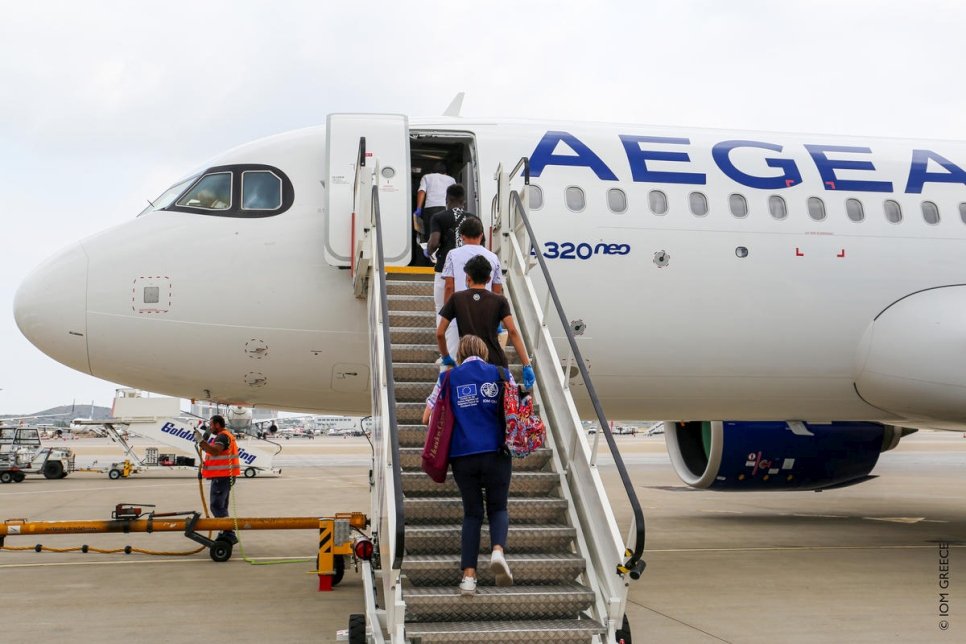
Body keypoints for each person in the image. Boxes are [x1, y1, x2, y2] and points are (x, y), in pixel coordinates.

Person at [421, 335, 514, 595]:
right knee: (498, 507)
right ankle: (497, 551)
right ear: (484, 352)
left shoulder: (448, 378)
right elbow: (516, 408)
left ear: (460, 354)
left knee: (472, 514)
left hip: (463, 456)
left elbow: (427, 417)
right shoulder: (502, 374)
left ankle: (469, 579)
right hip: (497, 452)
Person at [437, 255, 535, 390]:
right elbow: (512, 332)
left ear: (468, 277)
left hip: (468, 364)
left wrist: (446, 357)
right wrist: (526, 365)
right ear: (489, 279)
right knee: (497, 408)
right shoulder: (500, 300)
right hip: (496, 365)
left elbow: (440, 333)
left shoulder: (456, 298)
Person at [438, 215, 502, 356]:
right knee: (483, 355)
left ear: (461, 236)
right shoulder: (493, 257)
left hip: (459, 311)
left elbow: (449, 286)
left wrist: (447, 312)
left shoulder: (452, 254)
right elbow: (497, 290)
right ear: (481, 235)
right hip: (486, 313)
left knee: (456, 355)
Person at [427, 184, 473, 356]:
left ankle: (444, 354)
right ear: (464, 201)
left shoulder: (439, 217)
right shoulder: (472, 219)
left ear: (447, 200)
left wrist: (428, 251)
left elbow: (433, 243)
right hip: (468, 274)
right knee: (467, 312)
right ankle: (465, 352)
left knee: (442, 310)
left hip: (444, 273)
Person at [194, 415, 240, 544]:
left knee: (216, 506)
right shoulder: (223, 436)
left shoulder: (222, 437)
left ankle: (228, 533)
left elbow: (215, 451)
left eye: (211, 425)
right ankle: (226, 531)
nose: (210, 427)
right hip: (223, 476)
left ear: (218, 425)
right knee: (221, 507)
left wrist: (201, 441)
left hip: (222, 477)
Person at [414, 161, 455, 242]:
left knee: (430, 234)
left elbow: (421, 191)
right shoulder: (451, 179)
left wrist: (418, 208)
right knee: (444, 234)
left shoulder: (427, 177)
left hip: (430, 209)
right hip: (445, 208)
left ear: (432, 171)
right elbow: (454, 195)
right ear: (445, 172)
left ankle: (429, 251)